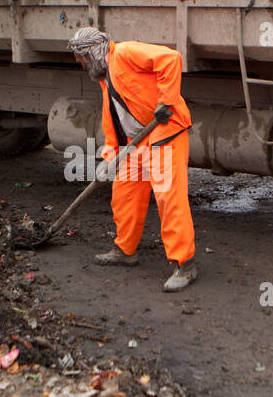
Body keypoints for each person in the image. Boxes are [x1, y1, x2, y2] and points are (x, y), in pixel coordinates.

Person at [67, 27, 197, 292]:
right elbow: (113, 121)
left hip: (164, 134)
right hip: (135, 144)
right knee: (124, 195)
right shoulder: (106, 78)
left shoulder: (125, 53)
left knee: (169, 199)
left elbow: (170, 59)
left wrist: (166, 102)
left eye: (82, 58)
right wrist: (110, 157)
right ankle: (125, 251)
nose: (81, 64)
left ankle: (185, 265)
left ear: (92, 52)